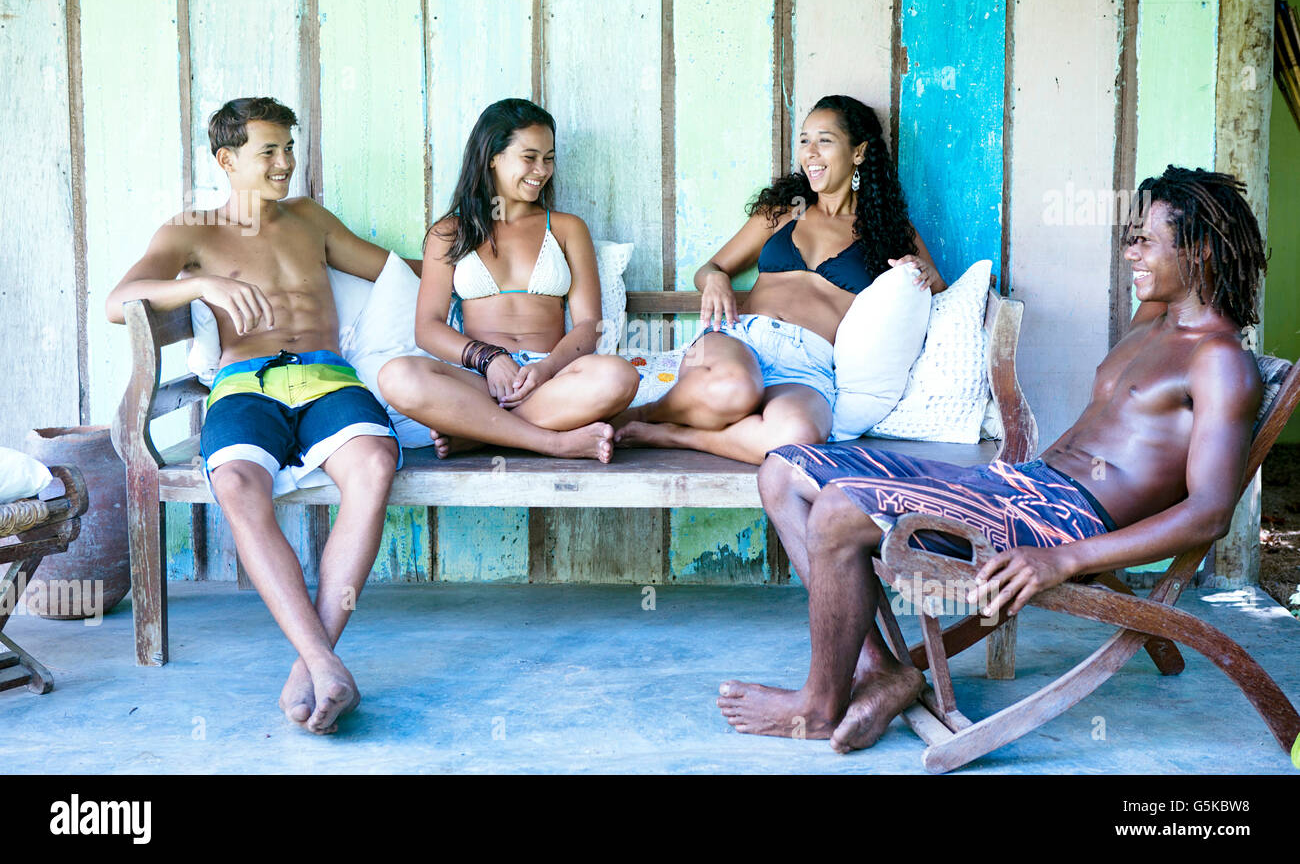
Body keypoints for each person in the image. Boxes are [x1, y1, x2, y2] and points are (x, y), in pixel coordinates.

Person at [719, 165, 1269, 753]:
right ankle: (879, 671)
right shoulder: (1154, 320)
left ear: (1203, 250)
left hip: (1057, 521)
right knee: (782, 469)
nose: (1128, 252)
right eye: (1128, 236)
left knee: (836, 509)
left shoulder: (1219, 363)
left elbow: (1210, 514)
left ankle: (821, 705)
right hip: (1018, 485)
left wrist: (1065, 560)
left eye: (1145, 241)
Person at [106, 97, 412, 735]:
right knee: (239, 484)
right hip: (246, 383)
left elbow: (396, 274)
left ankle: (315, 665)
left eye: (289, 149)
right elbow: (119, 301)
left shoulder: (310, 219)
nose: (285, 164)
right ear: (227, 159)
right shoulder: (191, 231)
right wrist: (200, 286)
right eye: (268, 151)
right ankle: (324, 661)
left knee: (376, 464)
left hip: (329, 377)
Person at [614, 94, 943, 464]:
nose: (810, 153)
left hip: (808, 365)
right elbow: (709, 269)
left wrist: (928, 275)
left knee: (799, 435)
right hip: (741, 341)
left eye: (825, 140)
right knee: (735, 389)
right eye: (804, 140)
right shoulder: (782, 213)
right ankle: (643, 414)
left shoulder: (889, 231)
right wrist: (716, 280)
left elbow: (935, 291)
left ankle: (672, 436)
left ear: (859, 152)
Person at [377, 98, 639, 462]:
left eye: (548, 158)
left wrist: (544, 370)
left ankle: (479, 433)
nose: (541, 170)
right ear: (492, 157)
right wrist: (489, 359)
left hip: (548, 380)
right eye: (529, 157)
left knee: (619, 377)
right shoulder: (449, 233)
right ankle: (552, 442)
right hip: (478, 381)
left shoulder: (566, 228)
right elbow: (428, 327)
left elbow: (589, 326)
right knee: (397, 376)